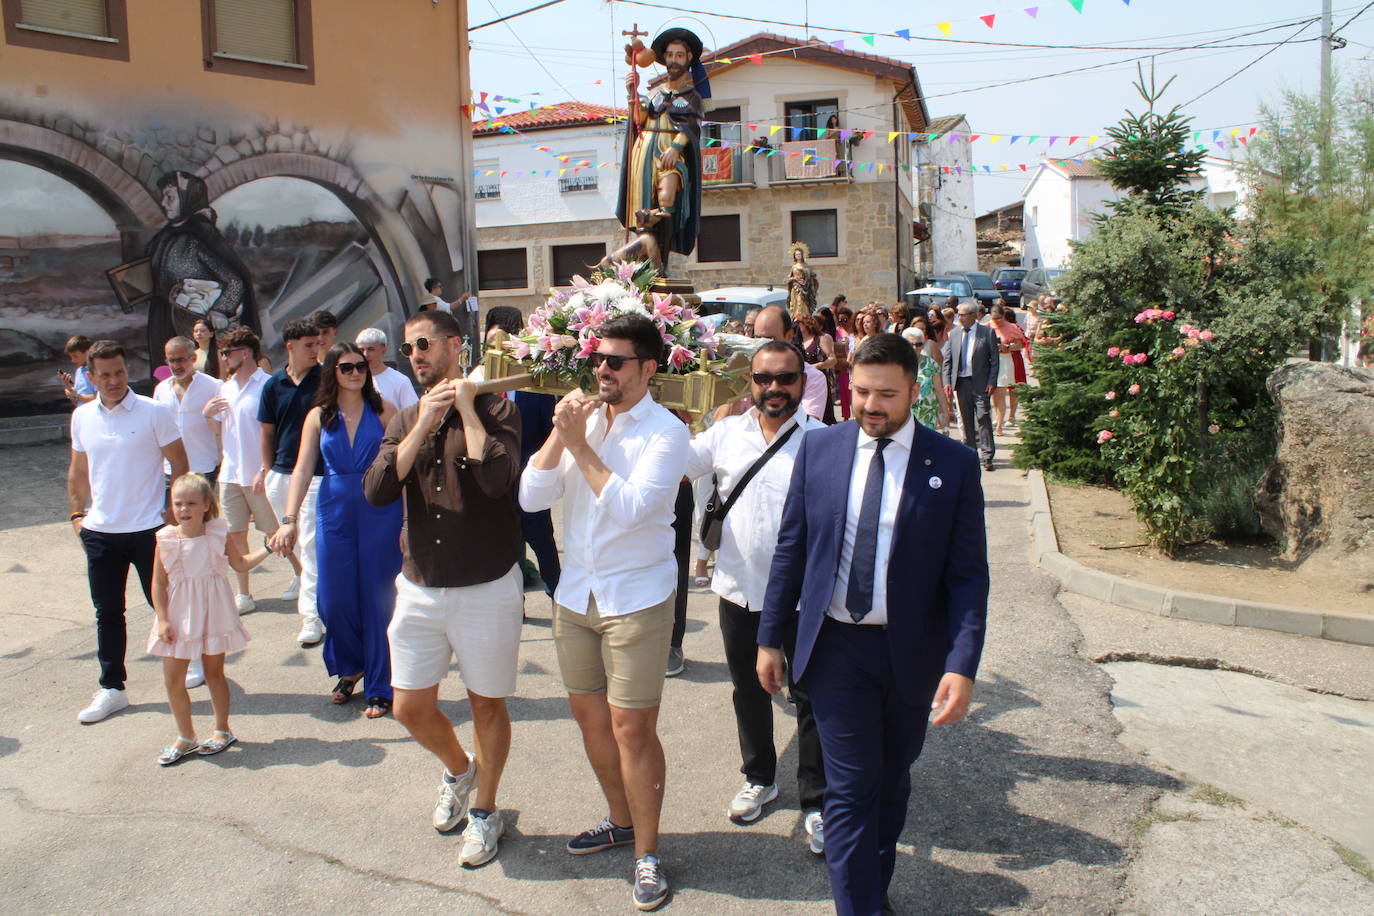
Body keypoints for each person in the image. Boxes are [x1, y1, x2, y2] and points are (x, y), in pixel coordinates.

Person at [757, 333, 989, 916]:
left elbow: (967, 576)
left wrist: (961, 665)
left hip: (911, 654)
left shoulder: (953, 464)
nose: (870, 406)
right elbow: (792, 548)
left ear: (915, 390)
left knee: (890, 783)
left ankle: (870, 895)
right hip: (836, 650)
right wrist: (769, 637)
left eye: (886, 394)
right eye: (860, 392)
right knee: (852, 790)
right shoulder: (821, 450)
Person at [519, 314, 688, 913]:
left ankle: (647, 853)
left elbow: (634, 510)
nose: (602, 369)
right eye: (597, 358)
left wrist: (581, 445)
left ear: (648, 367)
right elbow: (530, 498)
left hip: (636, 597)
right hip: (577, 597)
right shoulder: (581, 422)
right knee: (591, 721)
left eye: (615, 361)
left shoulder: (666, 433)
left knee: (631, 729)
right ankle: (619, 819)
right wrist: (558, 437)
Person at [363, 308, 524, 867]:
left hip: (485, 581)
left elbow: (499, 480)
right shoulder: (405, 416)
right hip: (422, 584)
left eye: (426, 343)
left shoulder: (496, 407)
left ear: (457, 345)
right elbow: (379, 489)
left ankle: (486, 809)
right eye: (410, 348)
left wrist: (464, 411)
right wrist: (424, 425)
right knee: (408, 705)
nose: (417, 354)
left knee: (486, 703)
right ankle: (459, 769)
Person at [683, 341, 828, 844]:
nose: (774, 389)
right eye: (764, 378)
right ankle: (760, 778)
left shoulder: (823, 441)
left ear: (801, 382)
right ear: (751, 381)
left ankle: (816, 800)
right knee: (749, 690)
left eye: (785, 379)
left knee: (810, 696)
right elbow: (671, 465)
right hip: (739, 591)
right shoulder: (723, 435)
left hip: (805, 599)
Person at [270, 344, 402, 718]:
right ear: (333, 372)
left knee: (379, 600)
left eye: (361, 366)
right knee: (332, 598)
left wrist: (408, 521)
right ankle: (351, 665)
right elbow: (301, 468)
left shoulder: (384, 410)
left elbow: (401, 468)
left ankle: (380, 684)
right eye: (347, 367)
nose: (356, 372)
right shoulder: (318, 416)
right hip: (334, 510)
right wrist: (289, 518)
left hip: (380, 509)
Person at [68, 340, 189, 723]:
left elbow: (180, 464)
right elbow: (78, 469)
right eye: (104, 374)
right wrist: (76, 514)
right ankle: (112, 688)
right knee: (107, 612)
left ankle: (192, 662)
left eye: (119, 371)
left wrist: (174, 513)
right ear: (91, 377)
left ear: (127, 370)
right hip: (101, 531)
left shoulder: (154, 412)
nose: (114, 380)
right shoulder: (82, 417)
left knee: (165, 605)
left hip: (149, 529)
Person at [147, 473, 269, 765]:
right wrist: (163, 619)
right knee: (173, 679)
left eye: (190, 503)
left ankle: (222, 730)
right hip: (178, 616)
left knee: (214, 674)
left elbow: (240, 563)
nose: (183, 509)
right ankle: (185, 735)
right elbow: (158, 584)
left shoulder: (217, 534)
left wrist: (267, 548)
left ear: (205, 505)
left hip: (213, 613)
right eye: (178, 504)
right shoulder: (165, 539)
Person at [202, 326, 295, 616]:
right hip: (230, 473)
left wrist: (265, 470)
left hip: (259, 474)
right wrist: (207, 415)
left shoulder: (269, 385)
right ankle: (244, 594)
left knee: (276, 534)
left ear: (245, 353)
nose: (223, 358)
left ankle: (303, 575)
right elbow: (220, 429)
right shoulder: (225, 387)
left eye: (227, 352)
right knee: (236, 535)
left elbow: (278, 433)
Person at [609, 27, 708, 273]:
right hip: (645, 151)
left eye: (680, 55)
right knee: (644, 204)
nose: (674, 60)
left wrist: (676, 147)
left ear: (688, 60)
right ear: (664, 59)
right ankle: (645, 262)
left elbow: (692, 126)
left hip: (670, 153)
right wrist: (633, 93)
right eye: (671, 55)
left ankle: (660, 258)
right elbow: (640, 120)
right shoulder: (655, 94)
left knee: (666, 199)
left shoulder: (692, 96)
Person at [144, 171, 258, 369]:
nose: (164, 203)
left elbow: (234, 280)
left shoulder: (199, 238)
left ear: (188, 199)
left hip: (196, 326)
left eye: (170, 197)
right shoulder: (166, 237)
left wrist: (220, 310)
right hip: (166, 317)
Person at [256, 319, 325, 645]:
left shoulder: (326, 379)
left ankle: (311, 616)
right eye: (309, 345)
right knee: (297, 546)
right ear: (291, 346)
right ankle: (316, 600)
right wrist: (268, 471)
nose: (316, 350)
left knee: (309, 546)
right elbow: (266, 432)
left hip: (315, 475)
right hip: (280, 475)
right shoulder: (273, 385)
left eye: (318, 343)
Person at [154, 336, 222, 485]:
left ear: (194, 358)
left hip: (202, 467)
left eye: (181, 359)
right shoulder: (161, 389)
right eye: (171, 360)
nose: (176, 365)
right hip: (169, 469)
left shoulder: (213, 386)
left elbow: (223, 427)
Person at [942, 303, 998, 471]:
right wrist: (947, 382)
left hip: (980, 382)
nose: (960, 318)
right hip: (962, 383)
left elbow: (994, 360)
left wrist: (992, 381)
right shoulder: (954, 334)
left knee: (983, 417)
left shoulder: (987, 332)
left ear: (974, 315)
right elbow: (948, 361)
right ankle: (970, 454)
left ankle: (987, 456)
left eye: (964, 315)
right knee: (966, 420)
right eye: (959, 315)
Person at [754, 305, 827, 421]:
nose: (761, 345)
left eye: (768, 339)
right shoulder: (746, 374)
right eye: (756, 338)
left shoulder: (813, 378)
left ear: (789, 336)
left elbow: (808, 426)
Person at [356, 327, 420, 412]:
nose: (365, 354)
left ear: (384, 349)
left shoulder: (400, 381)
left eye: (370, 349)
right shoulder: (353, 379)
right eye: (361, 350)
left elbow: (412, 415)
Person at [988, 303, 1027, 435]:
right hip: (991, 361)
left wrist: (1008, 347)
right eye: (994, 318)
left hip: (1005, 360)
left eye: (999, 318)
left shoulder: (1011, 328)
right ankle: (997, 418)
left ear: (1003, 316)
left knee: (1001, 391)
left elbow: (1021, 344)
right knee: (993, 393)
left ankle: (1000, 424)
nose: (996, 321)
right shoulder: (987, 327)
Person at [797, 314, 837, 425]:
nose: (795, 326)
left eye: (798, 323)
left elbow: (833, 360)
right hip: (802, 383)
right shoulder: (797, 341)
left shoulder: (822, 338)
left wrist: (817, 366)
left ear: (806, 324)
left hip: (818, 382)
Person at [901, 327, 942, 429]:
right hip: (905, 413)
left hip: (927, 413)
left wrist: (944, 413)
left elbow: (939, 390)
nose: (915, 347)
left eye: (919, 344)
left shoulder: (931, 363)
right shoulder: (898, 365)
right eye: (911, 344)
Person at [60, 335, 97, 406]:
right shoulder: (79, 371)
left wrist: (77, 396)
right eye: (71, 357)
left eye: (75, 356)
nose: (72, 360)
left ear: (87, 352)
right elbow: (76, 401)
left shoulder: (96, 370)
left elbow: (99, 398)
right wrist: (69, 388)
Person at [786, 244, 820, 318]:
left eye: (799, 254)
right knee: (796, 304)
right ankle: (796, 317)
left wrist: (806, 278)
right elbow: (789, 278)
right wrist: (794, 279)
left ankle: (804, 317)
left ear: (802, 255)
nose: (798, 256)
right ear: (794, 256)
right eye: (796, 254)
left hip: (805, 288)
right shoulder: (794, 267)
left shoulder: (806, 266)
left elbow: (811, 276)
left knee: (802, 303)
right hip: (795, 289)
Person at [833, 305, 854, 420]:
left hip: (853, 366)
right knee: (844, 393)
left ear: (850, 319)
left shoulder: (854, 332)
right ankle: (846, 416)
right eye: (840, 320)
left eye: (845, 320)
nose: (842, 322)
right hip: (841, 367)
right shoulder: (837, 332)